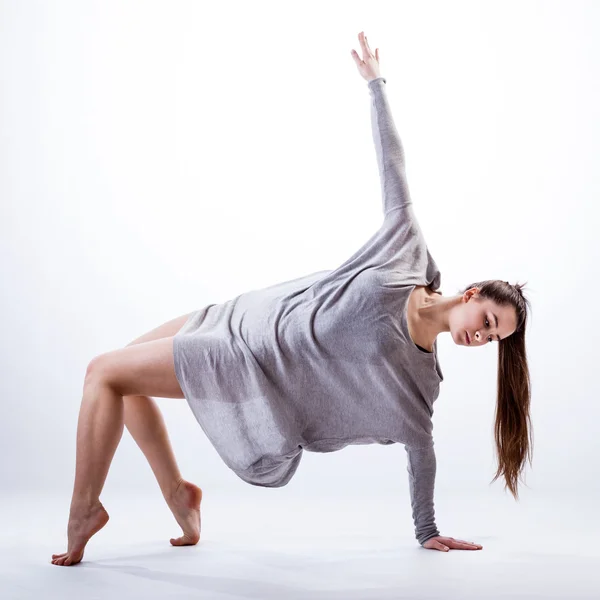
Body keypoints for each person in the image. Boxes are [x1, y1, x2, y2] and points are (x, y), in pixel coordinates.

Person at [51, 31, 532, 566]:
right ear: (471, 294)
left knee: (104, 372)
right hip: (237, 316)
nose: (481, 336)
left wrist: (428, 530)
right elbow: (393, 166)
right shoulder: (407, 252)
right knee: (123, 374)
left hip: (246, 364)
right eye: (488, 320)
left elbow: (423, 453)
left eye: (492, 338)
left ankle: (83, 511)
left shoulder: (418, 385)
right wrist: (376, 85)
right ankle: (178, 496)